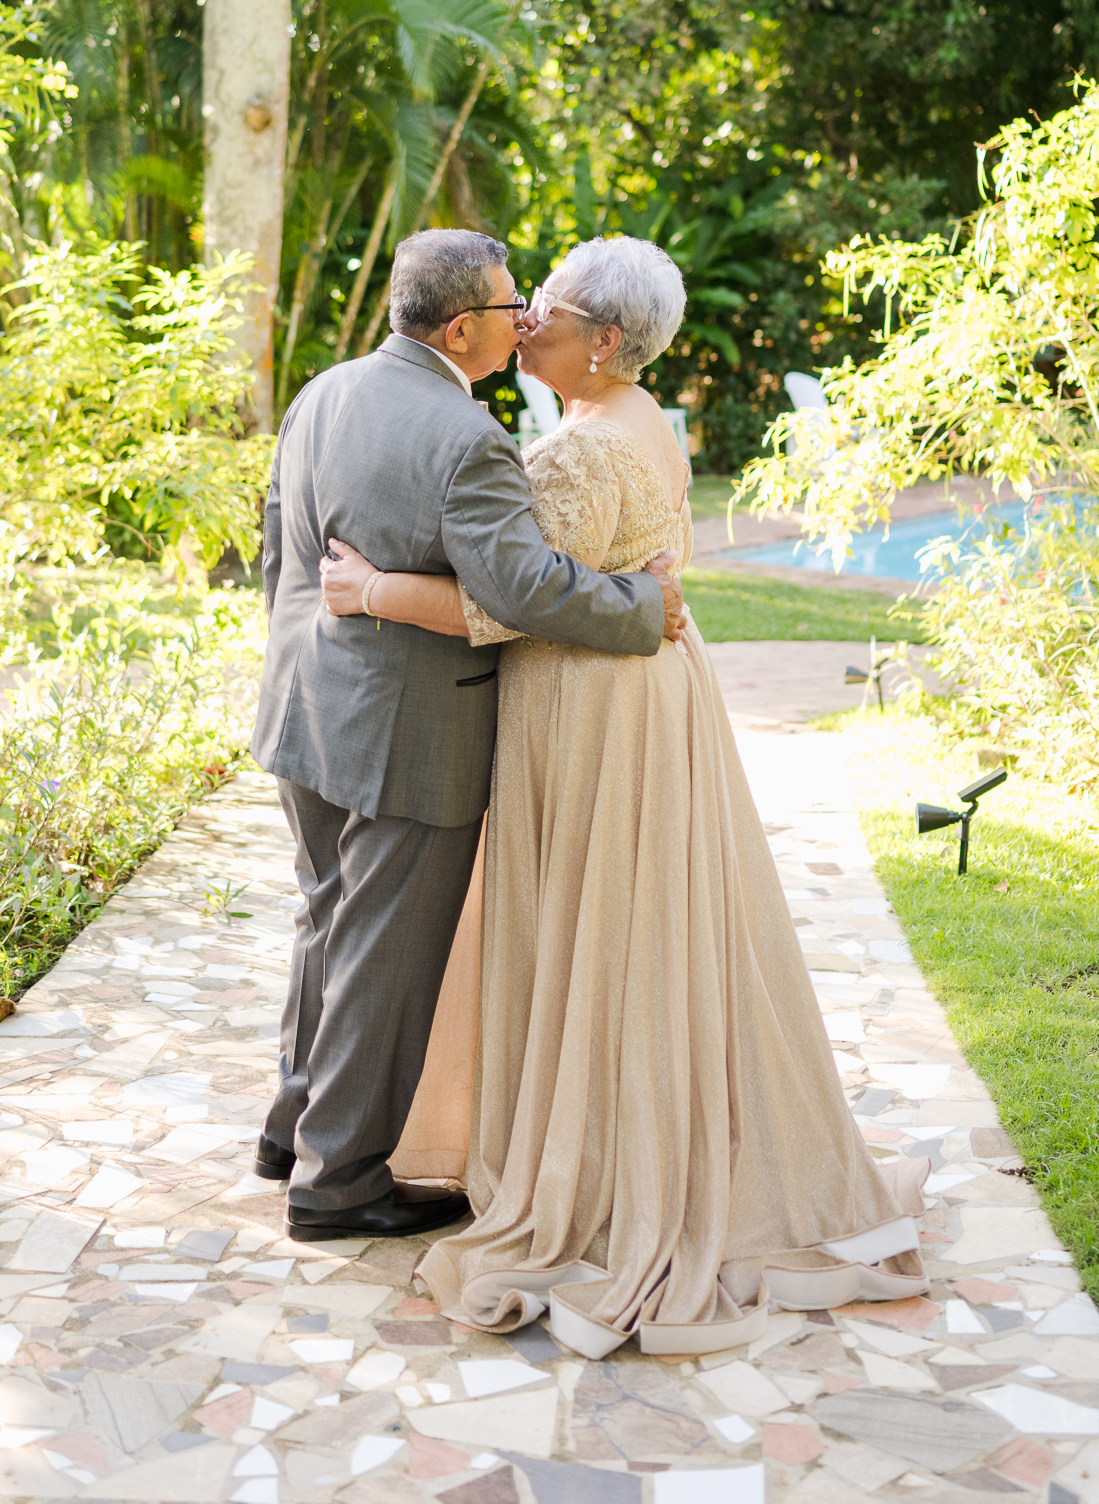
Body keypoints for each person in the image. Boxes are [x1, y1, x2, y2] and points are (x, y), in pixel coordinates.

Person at [319, 235, 928, 1352]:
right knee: (642, 934)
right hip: (652, 696)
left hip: (591, 706)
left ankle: (599, 1175)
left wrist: (372, 589)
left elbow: (512, 603)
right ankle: (624, 1136)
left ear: (603, 341)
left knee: (601, 935)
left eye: (542, 304)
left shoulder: (579, 454)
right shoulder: (628, 421)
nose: (523, 318)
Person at [248, 228, 686, 1243]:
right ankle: (338, 1180)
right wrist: (638, 607)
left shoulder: (325, 391)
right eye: (507, 304)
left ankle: (291, 1126)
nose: (523, 315)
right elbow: (523, 587)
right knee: (382, 953)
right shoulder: (466, 438)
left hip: (304, 703)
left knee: (325, 920)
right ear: (461, 327)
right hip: (410, 730)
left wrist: (310, 650)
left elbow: (279, 550)